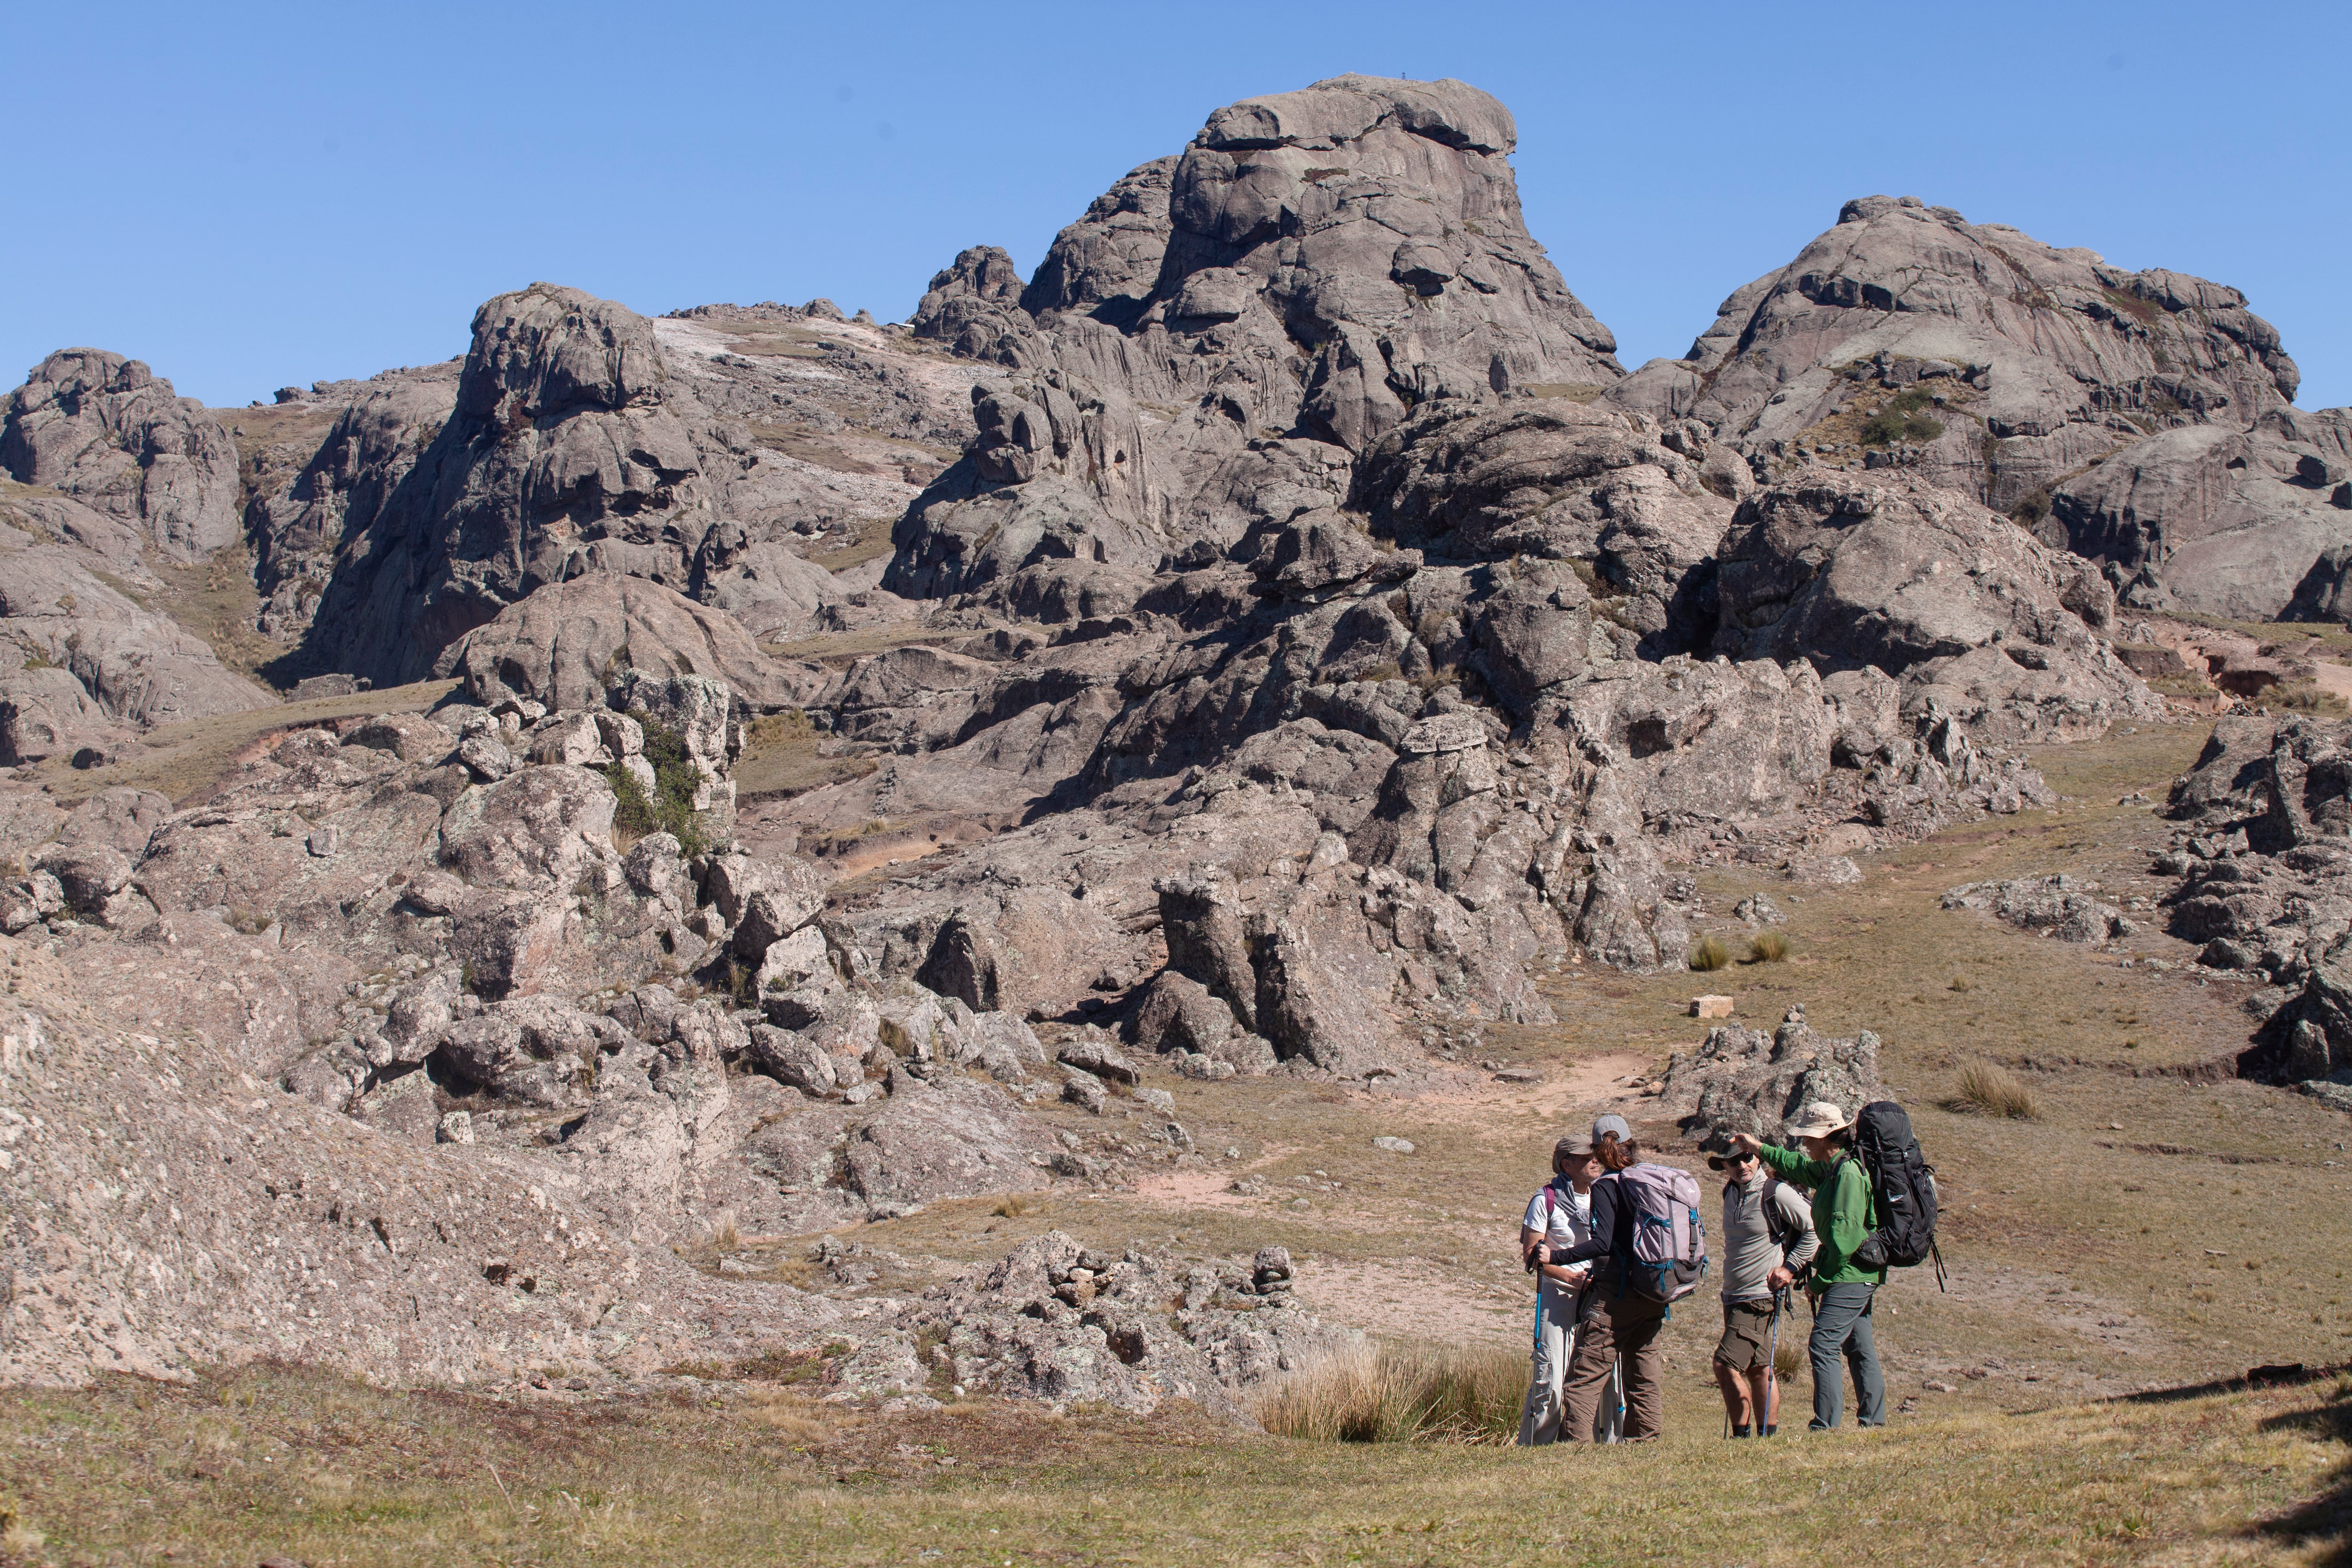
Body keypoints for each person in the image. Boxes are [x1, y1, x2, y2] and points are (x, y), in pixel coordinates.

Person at [1732, 1102, 1887, 1432]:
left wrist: (1820, 1281)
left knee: (1823, 1344)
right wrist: (1755, 1146)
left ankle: (1825, 1425)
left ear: (1826, 1137)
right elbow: (1795, 1165)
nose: (1804, 1143)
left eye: (1808, 1137)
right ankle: (1873, 1422)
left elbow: (1844, 1237)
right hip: (1856, 1274)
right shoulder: (1833, 1168)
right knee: (1858, 1345)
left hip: (1849, 1273)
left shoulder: (1846, 1174)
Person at [1551, 1114, 1673, 1442]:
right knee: (1644, 1374)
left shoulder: (1606, 1185)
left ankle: (1574, 1449)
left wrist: (1556, 1256)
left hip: (1616, 1295)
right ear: (1632, 1144)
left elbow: (1602, 1242)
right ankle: (1645, 1445)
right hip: (1653, 1292)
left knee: (1585, 1374)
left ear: (1596, 1150)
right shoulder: (1650, 1179)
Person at [1516, 1133, 1622, 1444]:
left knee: (1606, 1377)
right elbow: (1531, 1256)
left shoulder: (1607, 1194)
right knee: (1551, 1379)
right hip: (1557, 1297)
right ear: (1567, 1163)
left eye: (1597, 1155)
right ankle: (1538, 1448)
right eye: (1586, 1156)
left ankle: (1610, 1449)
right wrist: (1569, 1277)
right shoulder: (1544, 1200)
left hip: (1599, 1297)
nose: (1595, 1160)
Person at [1707, 1139, 1817, 1437]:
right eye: (1733, 1161)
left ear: (1758, 1159)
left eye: (1747, 1158)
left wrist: (1789, 1268)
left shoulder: (1775, 1193)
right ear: (1725, 1166)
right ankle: (1766, 1439)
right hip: (1733, 1295)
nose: (1741, 1165)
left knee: (1724, 1364)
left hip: (1759, 1297)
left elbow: (1814, 1230)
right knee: (1759, 1370)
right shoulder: (1730, 1191)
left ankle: (1741, 1441)